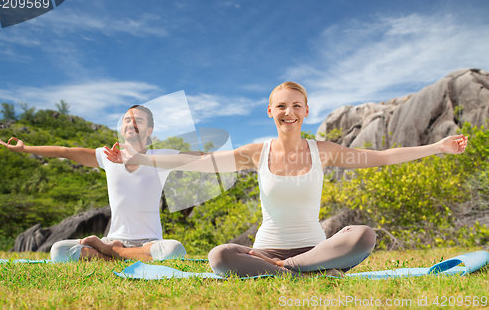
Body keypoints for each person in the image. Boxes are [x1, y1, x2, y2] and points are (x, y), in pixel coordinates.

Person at [103, 82, 468, 277]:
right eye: (281, 106)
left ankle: (287, 270)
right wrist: (141, 158)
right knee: (219, 256)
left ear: (306, 111)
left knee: (363, 235)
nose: (289, 112)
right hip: (267, 250)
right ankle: (296, 270)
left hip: (315, 247)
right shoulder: (255, 153)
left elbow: (384, 157)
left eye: (296, 105)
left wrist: (437, 146)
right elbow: (203, 162)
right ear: (270, 112)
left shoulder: (322, 150)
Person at [0, 105, 187, 262]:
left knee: (174, 250)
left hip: (150, 243)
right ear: (122, 128)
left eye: (139, 120)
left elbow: (197, 160)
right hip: (113, 239)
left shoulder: (161, 157)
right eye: (127, 120)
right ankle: (117, 251)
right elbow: (66, 151)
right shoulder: (107, 157)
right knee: (58, 250)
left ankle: (113, 253)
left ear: (149, 130)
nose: (131, 123)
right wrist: (25, 149)